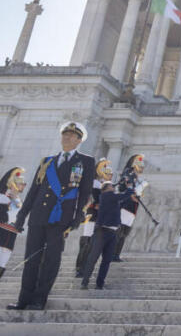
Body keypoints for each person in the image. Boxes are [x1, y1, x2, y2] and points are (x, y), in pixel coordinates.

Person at [8, 121, 95, 311]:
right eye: (65, 134)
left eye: (72, 135)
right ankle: (24, 299)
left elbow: (85, 191)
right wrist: (22, 216)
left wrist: (78, 215)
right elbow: (34, 191)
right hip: (39, 215)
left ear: (79, 140)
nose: (67, 137)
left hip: (60, 217)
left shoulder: (86, 162)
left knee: (51, 260)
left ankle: (39, 300)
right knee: (31, 259)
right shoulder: (47, 161)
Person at [78, 181, 135, 289]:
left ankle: (99, 284)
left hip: (112, 233)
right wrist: (129, 187)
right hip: (102, 232)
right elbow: (124, 196)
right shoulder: (106, 196)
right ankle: (84, 282)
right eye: (111, 186)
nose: (113, 187)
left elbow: (123, 200)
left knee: (106, 260)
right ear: (106, 188)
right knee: (93, 258)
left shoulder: (112, 199)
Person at [75, 159, 112, 277]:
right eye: (106, 171)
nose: (109, 175)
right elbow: (90, 200)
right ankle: (80, 267)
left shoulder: (104, 186)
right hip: (91, 215)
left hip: (101, 218)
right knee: (87, 242)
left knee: (94, 244)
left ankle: (85, 267)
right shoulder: (94, 184)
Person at [112, 154, 147, 262]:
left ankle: (116, 254)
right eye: (140, 165)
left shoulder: (136, 177)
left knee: (125, 232)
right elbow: (129, 189)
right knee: (120, 230)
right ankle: (112, 253)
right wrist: (140, 188)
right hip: (125, 205)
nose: (142, 168)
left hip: (132, 207)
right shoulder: (129, 174)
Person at [0, 167, 26, 280]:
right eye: (21, 183)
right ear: (13, 184)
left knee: (4, 258)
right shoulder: (4, 196)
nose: (24, 185)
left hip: (12, 232)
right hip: (2, 230)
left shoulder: (18, 199)